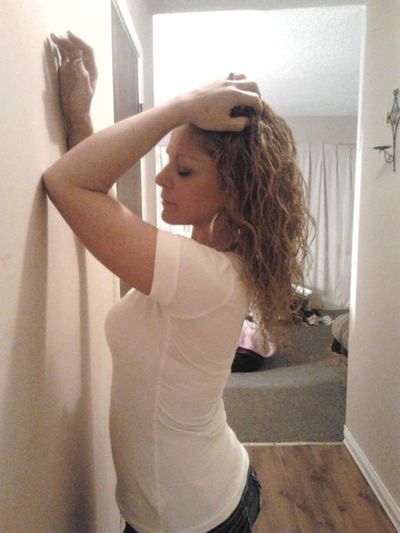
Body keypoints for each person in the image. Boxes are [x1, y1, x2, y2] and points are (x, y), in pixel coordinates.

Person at [45, 32, 309, 533]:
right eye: (169, 162)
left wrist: (181, 106)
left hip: (195, 519)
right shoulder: (205, 260)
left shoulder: (208, 277)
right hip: (194, 499)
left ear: (233, 189)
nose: (162, 178)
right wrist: (80, 118)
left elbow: (69, 184)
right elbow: (98, 206)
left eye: (183, 170)